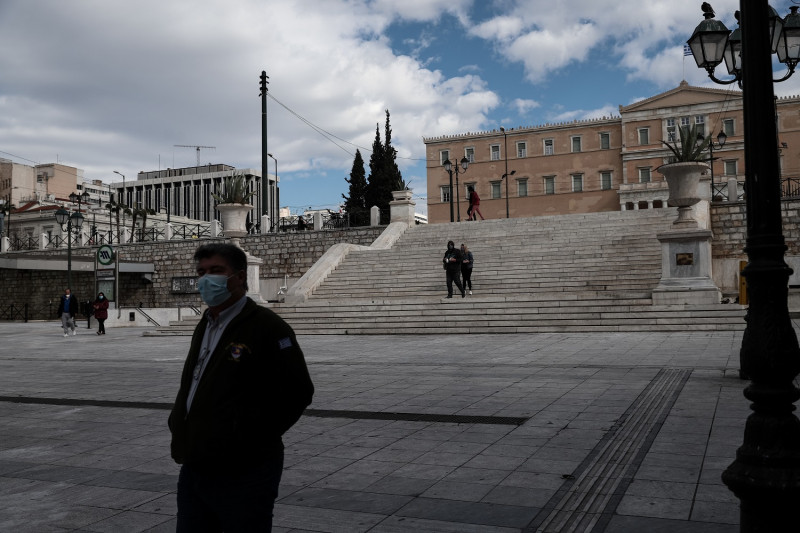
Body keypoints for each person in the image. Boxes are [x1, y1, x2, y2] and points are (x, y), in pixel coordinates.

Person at [169, 243, 314, 532]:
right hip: (196, 462)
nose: (206, 279)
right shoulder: (207, 322)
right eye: (201, 272)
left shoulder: (267, 327)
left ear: (239, 277)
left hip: (244, 469)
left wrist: (248, 438)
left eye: (216, 271)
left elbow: (298, 391)